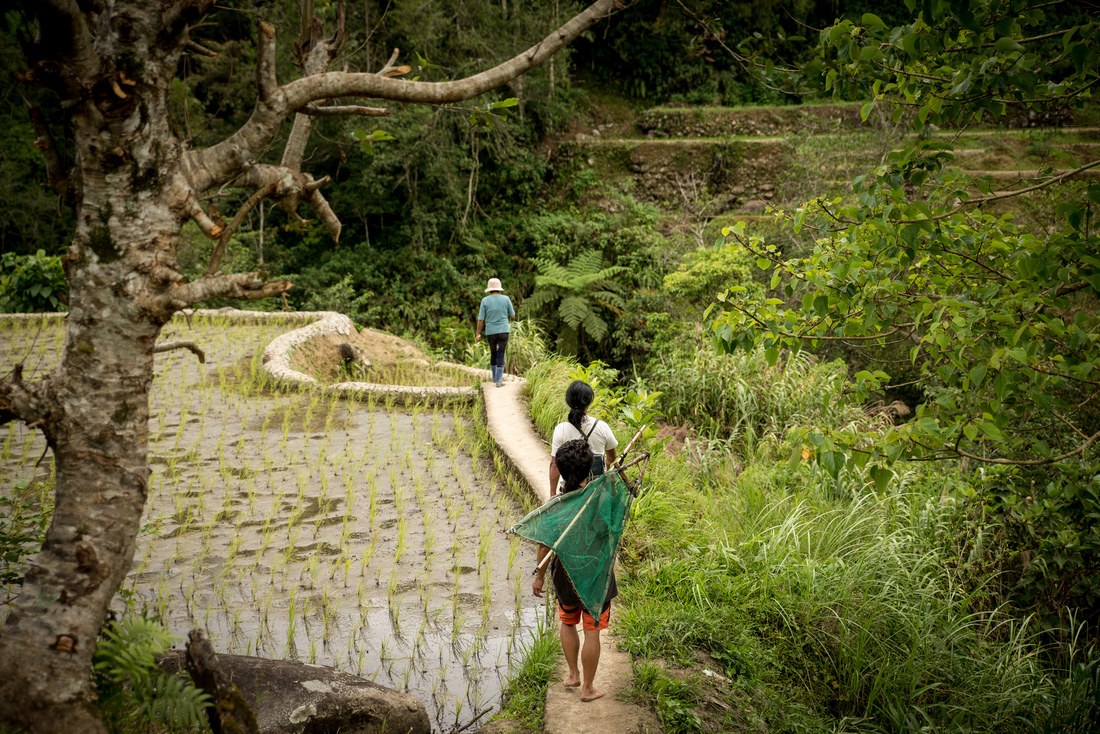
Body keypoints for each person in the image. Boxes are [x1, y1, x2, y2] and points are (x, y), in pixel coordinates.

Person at [532, 438, 615, 702]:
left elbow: (544, 545)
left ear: (562, 470)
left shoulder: (556, 506)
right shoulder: (601, 496)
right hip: (594, 574)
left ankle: (572, 674)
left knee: (567, 622)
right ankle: (588, 688)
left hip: (565, 575)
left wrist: (539, 576)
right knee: (592, 629)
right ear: (590, 466)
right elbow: (610, 531)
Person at [549, 380, 617, 497]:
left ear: (568, 401)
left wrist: (552, 493)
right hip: (597, 491)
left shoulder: (561, 429)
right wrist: (606, 464)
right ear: (589, 402)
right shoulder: (602, 427)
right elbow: (612, 457)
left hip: (569, 491)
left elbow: (554, 465)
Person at [475, 277, 515, 388]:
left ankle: (494, 378)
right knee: (501, 352)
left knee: (493, 352)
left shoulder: (485, 301)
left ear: (489, 289)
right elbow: (512, 315)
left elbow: (481, 319)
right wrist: (510, 318)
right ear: (499, 288)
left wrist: (478, 333)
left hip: (490, 332)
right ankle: (499, 381)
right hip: (503, 331)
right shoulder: (506, 299)